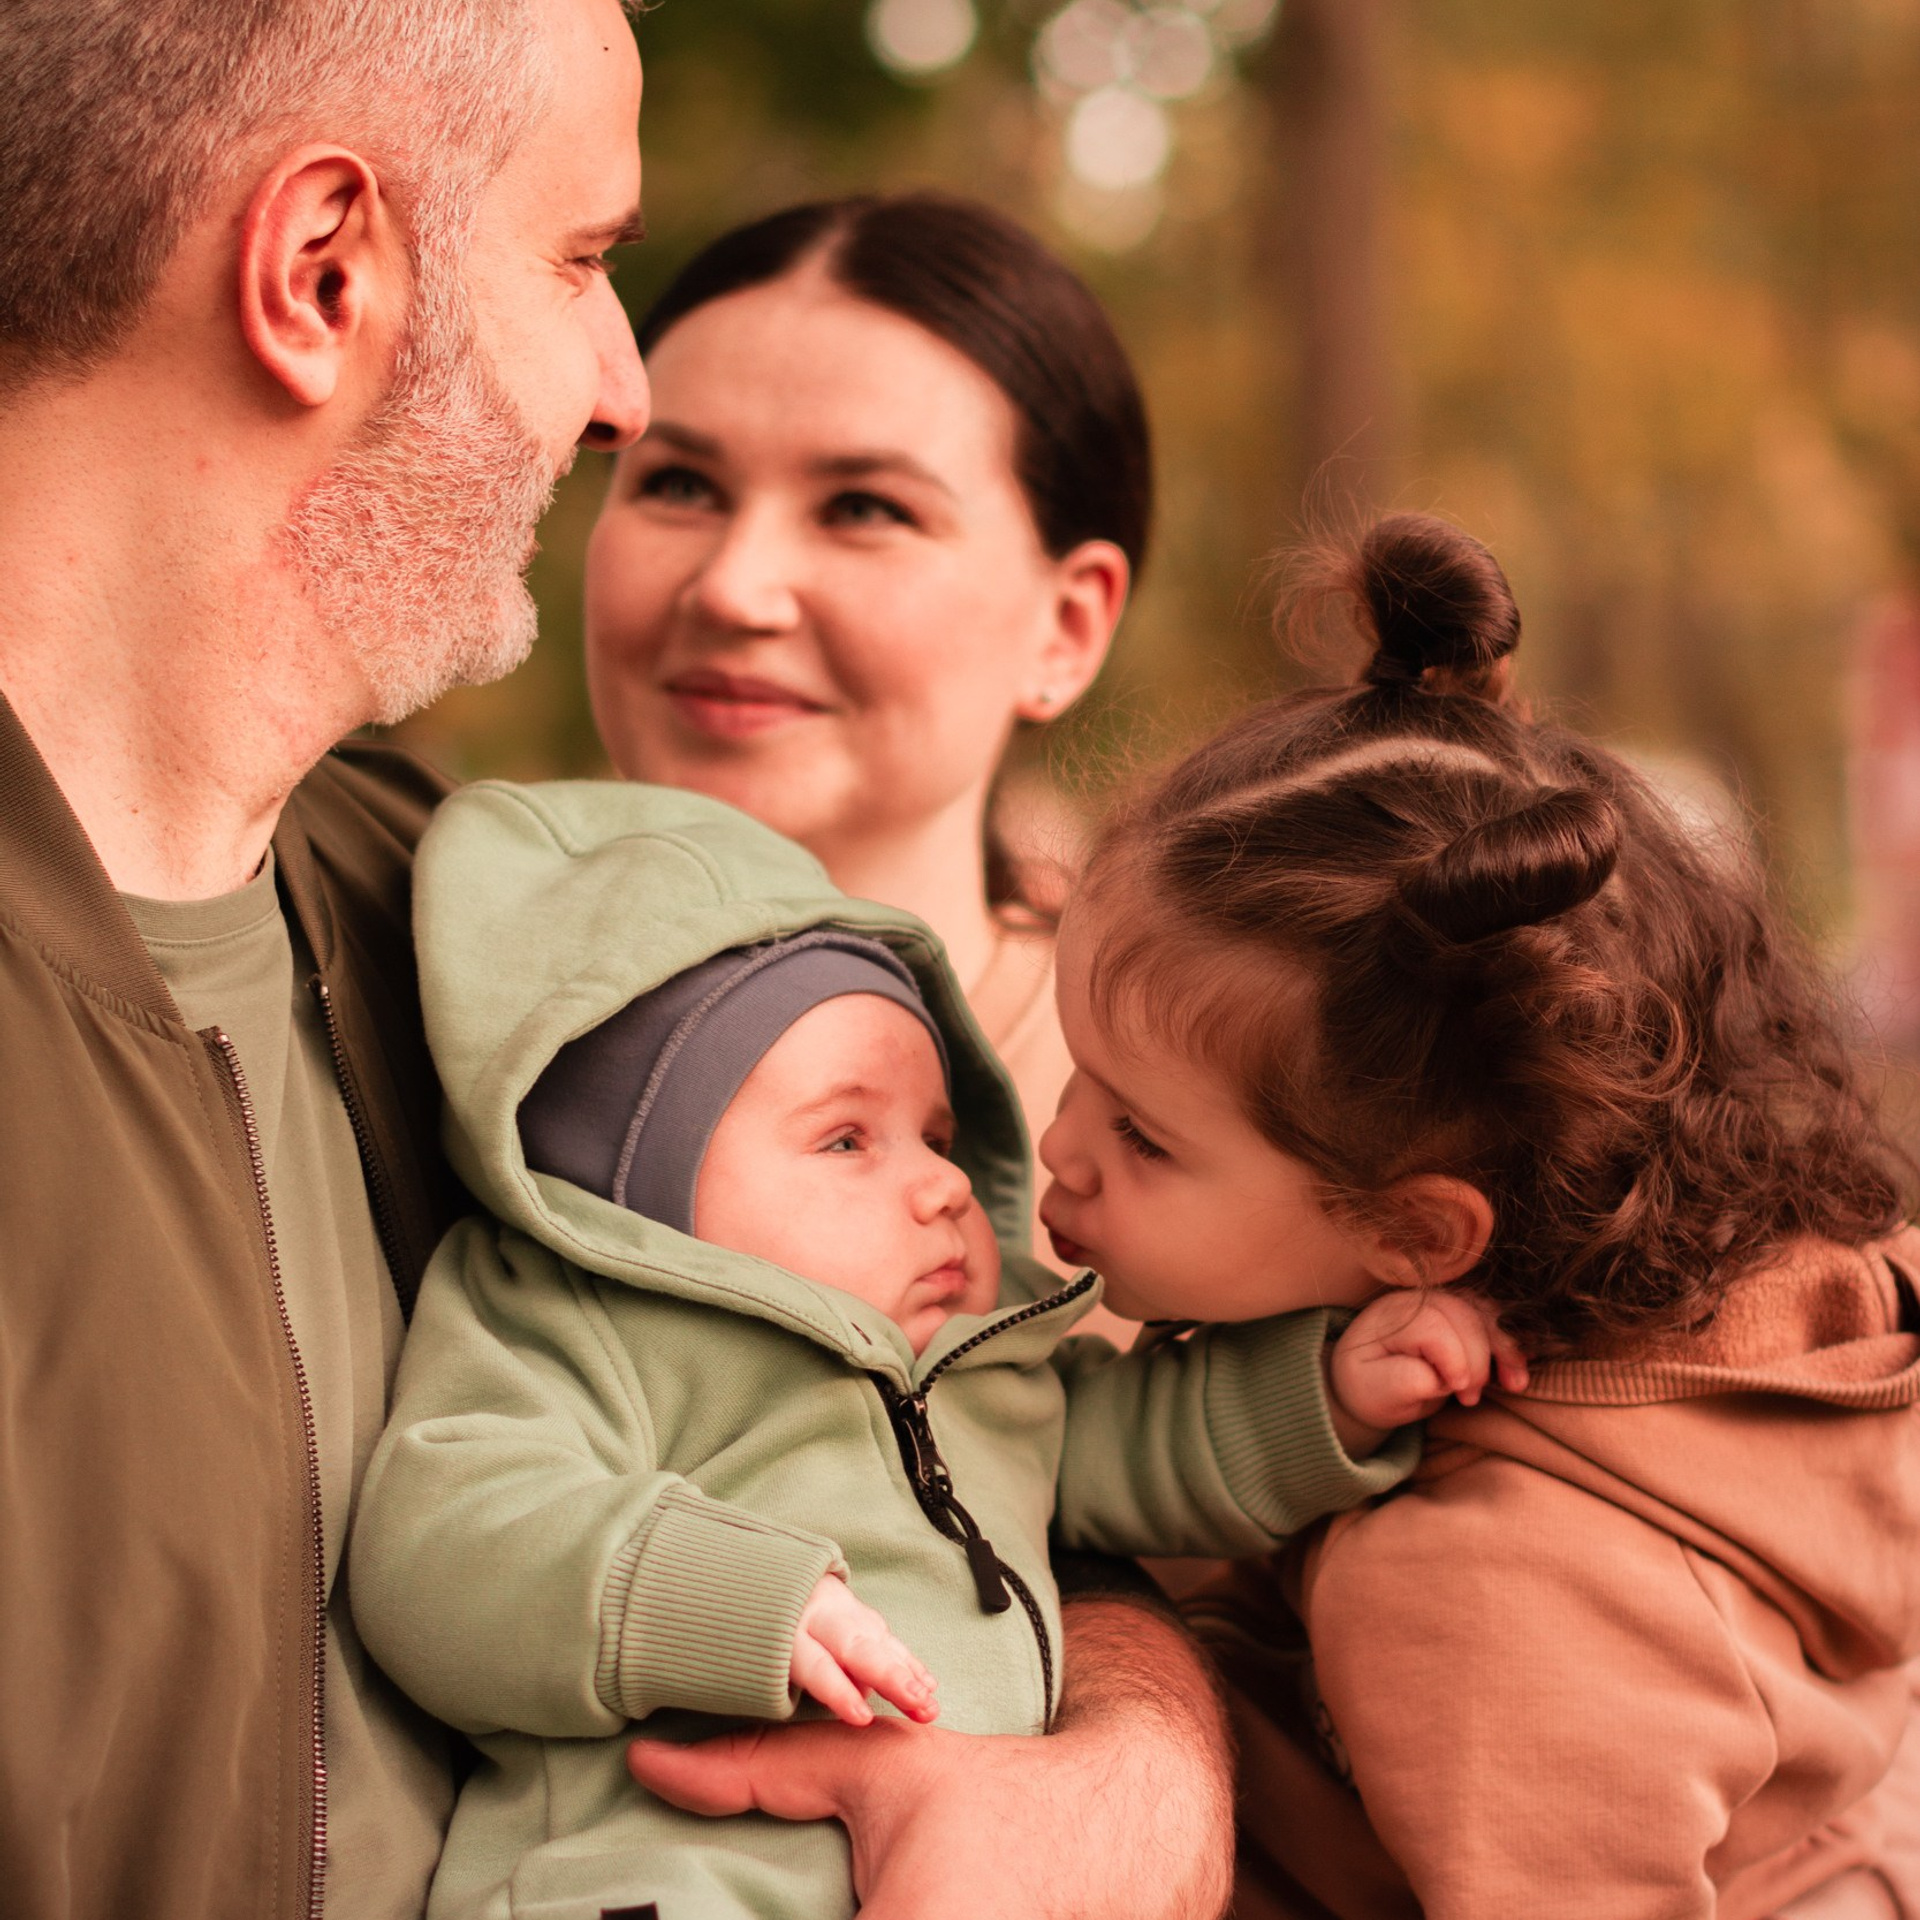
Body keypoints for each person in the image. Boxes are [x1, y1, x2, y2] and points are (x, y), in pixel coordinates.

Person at [0, 8, 1234, 1919]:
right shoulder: (540, 999)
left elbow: (1006, 1461)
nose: (617, 389)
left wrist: (1130, 1777)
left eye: (867, 505)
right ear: (321, 271)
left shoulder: (429, 930)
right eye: (583, 262)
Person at [350, 776, 1496, 1918]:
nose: (945, 1184)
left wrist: (1333, 1396)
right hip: (660, 1876)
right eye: (848, 1138)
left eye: (939, 1136)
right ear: (635, 1192)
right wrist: (725, 1598)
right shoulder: (575, 1321)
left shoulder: (984, 1368)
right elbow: (444, 1543)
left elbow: (1144, 1444)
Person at [1016, 511, 1920, 1917]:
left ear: (1420, 1236)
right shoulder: (1727, 1322)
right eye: (1078, 1074)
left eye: (1141, 1134)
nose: (1058, 1150)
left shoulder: (1481, 1592)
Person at [581, 194, 1141, 1310]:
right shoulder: (399, 1016)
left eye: (864, 508)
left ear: (1066, 627)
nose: (735, 587)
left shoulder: (1211, 1119)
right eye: (680, 485)